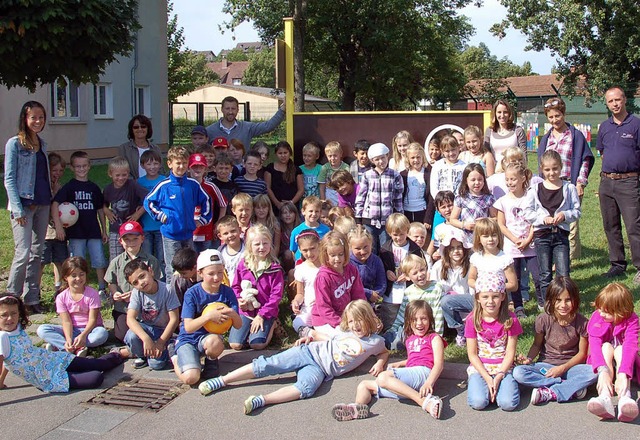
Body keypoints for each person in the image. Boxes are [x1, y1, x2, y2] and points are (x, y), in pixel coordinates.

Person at [198, 300, 388, 416]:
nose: (355, 325)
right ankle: (223, 380)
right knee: (268, 365)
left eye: (359, 320)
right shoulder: (344, 330)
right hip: (308, 352)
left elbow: (384, 352)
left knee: (307, 388)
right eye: (352, 321)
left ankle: (262, 400)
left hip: (321, 370)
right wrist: (309, 336)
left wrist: (380, 362)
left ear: (369, 319)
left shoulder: (376, 341)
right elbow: (326, 337)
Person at [334, 300, 444, 420]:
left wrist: (429, 382)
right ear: (408, 321)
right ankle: (356, 408)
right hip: (410, 384)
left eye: (423, 319)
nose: (419, 323)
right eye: (414, 319)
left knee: (382, 378)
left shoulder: (434, 338)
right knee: (364, 385)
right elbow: (415, 359)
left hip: (424, 374)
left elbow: (438, 364)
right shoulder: (410, 339)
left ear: (430, 319)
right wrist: (399, 363)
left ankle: (423, 401)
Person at [0, 293, 125, 392]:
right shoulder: (2, 337)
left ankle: (119, 354)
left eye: (14, 313)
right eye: (4, 315)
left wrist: (1, 380)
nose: (10, 318)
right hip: (47, 377)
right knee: (96, 378)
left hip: (51, 360)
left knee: (97, 364)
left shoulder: (17, 329)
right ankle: (90, 363)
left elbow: (8, 360)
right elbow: (4, 359)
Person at [513, 277, 596, 405]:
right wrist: (529, 359)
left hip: (570, 367)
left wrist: (562, 368)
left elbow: (582, 354)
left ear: (575, 300)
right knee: (519, 372)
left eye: (568, 300)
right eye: (558, 300)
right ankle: (568, 387)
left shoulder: (582, 322)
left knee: (594, 372)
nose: (563, 305)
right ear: (551, 301)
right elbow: (536, 345)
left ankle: (551, 392)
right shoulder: (543, 319)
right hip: (546, 367)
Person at [4, 101, 52, 313]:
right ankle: (11, 300)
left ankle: (31, 299)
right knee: (22, 253)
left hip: (43, 204)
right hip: (23, 206)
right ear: (25, 119)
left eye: (41, 117)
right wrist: (17, 208)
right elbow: (9, 179)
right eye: (33, 117)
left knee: (37, 253)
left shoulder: (43, 144)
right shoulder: (14, 144)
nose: (37, 121)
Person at [172, 249, 242, 385]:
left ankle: (211, 360)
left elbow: (238, 325)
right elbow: (188, 327)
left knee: (214, 342)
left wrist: (232, 313)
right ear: (200, 273)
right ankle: (176, 358)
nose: (216, 277)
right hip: (188, 339)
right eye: (211, 274)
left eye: (220, 272)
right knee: (191, 378)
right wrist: (209, 316)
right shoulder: (192, 293)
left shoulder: (227, 292)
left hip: (208, 339)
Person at [144, 146, 212, 284]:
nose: (181, 166)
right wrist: (161, 216)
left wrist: (202, 220)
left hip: (188, 234)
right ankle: (172, 298)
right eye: (178, 163)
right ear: (169, 164)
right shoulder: (164, 185)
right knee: (172, 268)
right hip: (171, 235)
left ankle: (190, 293)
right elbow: (148, 202)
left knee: (191, 265)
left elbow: (207, 201)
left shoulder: (193, 184)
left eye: (184, 163)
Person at [538, 97, 594, 260]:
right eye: (551, 117)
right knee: (553, 220)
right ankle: (555, 255)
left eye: (558, 116)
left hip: (569, 183)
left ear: (564, 114)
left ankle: (571, 257)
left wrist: (580, 182)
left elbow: (585, 159)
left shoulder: (575, 136)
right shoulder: (546, 138)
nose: (554, 120)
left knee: (571, 221)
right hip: (550, 185)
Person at [524, 150, 581, 307]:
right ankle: (548, 304)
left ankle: (566, 302)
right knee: (545, 273)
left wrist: (565, 215)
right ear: (542, 169)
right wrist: (542, 219)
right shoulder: (535, 189)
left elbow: (577, 211)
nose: (552, 173)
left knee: (563, 273)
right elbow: (527, 212)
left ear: (561, 167)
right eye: (547, 169)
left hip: (561, 235)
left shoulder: (569, 188)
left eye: (555, 169)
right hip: (542, 235)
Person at [596, 86, 640, 283]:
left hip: (629, 182)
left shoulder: (636, 125)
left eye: (618, 100)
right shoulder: (604, 127)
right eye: (610, 101)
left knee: (634, 226)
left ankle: (639, 266)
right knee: (610, 225)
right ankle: (617, 264)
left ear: (624, 100)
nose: (614, 104)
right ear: (607, 103)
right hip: (607, 182)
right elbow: (603, 153)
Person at [52, 151, 108, 297]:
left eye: (84, 166)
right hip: (76, 233)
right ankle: (78, 288)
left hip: (93, 231)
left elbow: (100, 210)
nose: (81, 169)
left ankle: (102, 288)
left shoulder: (94, 188)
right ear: (72, 168)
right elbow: (55, 204)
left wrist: (104, 230)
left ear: (89, 166)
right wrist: (58, 226)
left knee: (99, 260)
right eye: (78, 166)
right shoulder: (69, 187)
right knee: (77, 262)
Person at [465, 272, 522, 411]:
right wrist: (487, 378)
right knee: (478, 402)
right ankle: (484, 387)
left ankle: (502, 388)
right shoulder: (472, 320)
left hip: (503, 368)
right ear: (478, 297)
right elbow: (472, 354)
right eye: (485, 297)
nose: (490, 302)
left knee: (508, 404)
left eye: (495, 296)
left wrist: (499, 376)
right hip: (480, 369)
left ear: (502, 296)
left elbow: (510, 352)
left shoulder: (511, 319)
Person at [586, 282, 639, 422]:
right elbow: (595, 346)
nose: (601, 313)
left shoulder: (632, 319)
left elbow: (631, 346)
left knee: (621, 348)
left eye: (606, 311)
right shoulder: (597, 317)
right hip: (603, 362)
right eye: (600, 309)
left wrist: (623, 374)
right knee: (605, 347)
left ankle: (625, 397)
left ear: (620, 311)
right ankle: (604, 396)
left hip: (625, 364)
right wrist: (602, 372)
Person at [494, 161, 541, 316]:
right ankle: (519, 307)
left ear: (522, 178)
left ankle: (542, 303)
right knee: (515, 280)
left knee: (538, 276)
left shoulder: (531, 197)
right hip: (512, 247)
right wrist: (515, 239)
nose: (510, 182)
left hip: (531, 244)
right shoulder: (503, 201)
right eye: (507, 179)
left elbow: (536, 220)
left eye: (513, 179)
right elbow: (501, 224)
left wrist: (527, 239)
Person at [36, 257, 108, 355]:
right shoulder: (61, 297)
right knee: (42, 329)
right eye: (73, 275)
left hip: (90, 330)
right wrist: (69, 338)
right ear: (66, 277)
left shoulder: (92, 294)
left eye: (81, 274)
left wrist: (83, 335)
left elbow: (93, 320)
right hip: (72, 329)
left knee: (101, 334)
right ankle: (71, 346)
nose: (78, 279)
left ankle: (60, 346)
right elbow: (66, 321)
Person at [104, 220, 161, 343]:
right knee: (122, 337)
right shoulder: (116, 262)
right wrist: (115, 293)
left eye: (135, 239)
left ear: (142, 239)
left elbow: (156, 283)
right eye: (127, 240)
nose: (131, 243)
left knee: (146, 332)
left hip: (145, 307)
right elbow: (111, 281)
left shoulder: (151, 260)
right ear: (120, 241)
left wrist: (135, 294)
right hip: (123, 307)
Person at [229, 225, 284, 350]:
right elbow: (235, 286)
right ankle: (248, 330)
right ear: (249, 246)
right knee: (235, 345)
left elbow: (276, 296)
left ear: (270, 244)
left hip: (265, 312)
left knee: (257, 344)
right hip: (246, 311)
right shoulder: (243, 264)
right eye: (257, 244)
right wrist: (238, 300)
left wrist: (261, 315)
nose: (261, 247)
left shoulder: (274, 268)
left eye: (265, 243)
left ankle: (273, 324)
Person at [119, 258, 180, 370]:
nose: (141, 283)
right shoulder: (137, 293)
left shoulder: (167, 290)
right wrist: (146, 338)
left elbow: (174, 319)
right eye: (135, 283)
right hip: (146, 329)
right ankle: (141, 355)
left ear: (150, 271)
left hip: (163, 332)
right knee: (131, 335)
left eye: (142, 276)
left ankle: (167, 347)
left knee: (156, 365)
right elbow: (130, 319)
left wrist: (161, 342)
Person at [384, 255, 445, 350]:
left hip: (428, 326)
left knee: (416, 339)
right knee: (397, 332)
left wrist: (437, 336)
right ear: (407, 277)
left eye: (422, 270)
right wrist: (393, 328)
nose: (420, 274)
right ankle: (394, 339)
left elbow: (438, 314)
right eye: (415, 273)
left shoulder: (436, 287)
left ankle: (401, 342)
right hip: (413, 327)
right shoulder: (409, 292)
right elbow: (402, 314)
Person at [311, 231, 366, 336]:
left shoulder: (351, 269)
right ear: (325, 255)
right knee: (346, 339)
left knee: (366, 333)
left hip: (347, 317)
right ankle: (313, 335)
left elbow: (359, 296)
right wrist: (341, 323)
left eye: (341, 254)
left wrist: (365, 315)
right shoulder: (323, 277)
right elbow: (324, 308)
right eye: (332, 255)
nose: (337, 259)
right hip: (325, 321)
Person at [354, 142, 404, 255]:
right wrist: (358, 220)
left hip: (387, 221)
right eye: (377, 159)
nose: (381, 161)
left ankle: (385, 271)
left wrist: (398, 219)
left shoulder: (395, 176)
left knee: (385, 250)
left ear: (387, 156)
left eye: (383, 158)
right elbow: (360, 198)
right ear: (372, 160)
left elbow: (398, 200)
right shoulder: (367, 175)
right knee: (370, 249)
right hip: (369, 220)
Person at [379, 213, 424, 331]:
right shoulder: (385, 249)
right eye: (395, 235)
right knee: (390, 316)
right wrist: (387, 272)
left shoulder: (414, 249)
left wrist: (409, 275)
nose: (398, 238)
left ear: (407, 232)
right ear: (389, 233)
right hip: (391, 293)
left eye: (402, 234)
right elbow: (381, 266)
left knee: (410, 312)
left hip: (409, 289)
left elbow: (422, 266)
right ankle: (391, 334)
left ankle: (409, 332)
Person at [430, 225, 473, 346]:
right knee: (445, 300)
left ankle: (467, 328)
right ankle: (459, 329)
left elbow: (473, 289)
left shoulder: (470, 265)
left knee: (447, 300)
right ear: (446, 250)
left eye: (459, 247)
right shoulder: (439, 266)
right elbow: (434, 287)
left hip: (467, 300)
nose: (456, 251)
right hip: (446, 304)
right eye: (452, 248)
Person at [468, 218, 518, 314]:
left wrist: (495, 288)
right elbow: (470, 279)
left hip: (498, 301)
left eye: (494, 235)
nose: (490, 239)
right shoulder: (476, 257)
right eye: (486, 236)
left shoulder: (505, 258)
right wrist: (482, 287)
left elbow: (513, 285)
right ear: (479, 239)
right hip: (481, 299)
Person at [102, 156, 148, 262]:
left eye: (124, 175)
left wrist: (138, 214)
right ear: (110, 174)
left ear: (128, 173)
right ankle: (116, 278)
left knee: (135, 256)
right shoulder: (108, 189)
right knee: (115, 258)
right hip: (116, 228)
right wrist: (106, 211)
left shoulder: (133, 185)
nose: (121, 178)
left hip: (132, 228)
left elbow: (149, 199)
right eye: (117, 175)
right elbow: (101, 205)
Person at [205, 96, 285, 150]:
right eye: (227, 108)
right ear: (222, 109)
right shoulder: (210, 131)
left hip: (242, 172)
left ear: (238, 110)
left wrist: (282, 110)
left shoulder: (247, 128)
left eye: (233, 108)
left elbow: (268, 126)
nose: (230, 112)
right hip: (219, 172)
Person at [187, 153, 227, 253]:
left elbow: (223, 204)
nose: (197, 169)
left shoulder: (210, 186)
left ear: (205, 169)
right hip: (189, 233)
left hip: (206, 232)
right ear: (188, 169)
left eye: (200, 167)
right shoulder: (185, 186)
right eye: (194, 166)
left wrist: (218, 224)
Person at [41, 152, 68, 295]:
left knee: (59, 260)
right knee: (42, 261)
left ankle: (58, 288)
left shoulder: (60, 187)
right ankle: (36, 289)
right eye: (54, 170)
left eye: (61, 170)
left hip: (59, 231)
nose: (58, 173)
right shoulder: (44, 186)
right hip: (45, 231)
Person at [449, 163, 496, 246]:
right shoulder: (461, 198)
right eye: (473, 180)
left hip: (483, 238)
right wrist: (464, 225)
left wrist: (485, 221)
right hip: (466, 239)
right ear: (466, 181)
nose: (477, 183)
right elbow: (452, 220)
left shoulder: (489, 198)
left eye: (480, 179)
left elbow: (495, 218)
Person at [137, 149, 166, 275]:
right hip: (145, 226)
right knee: (146, 256)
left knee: (161, 257)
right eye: (149, 164)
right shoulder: (139, 182)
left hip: (161, 226)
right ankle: (148, 278)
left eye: (155, 163)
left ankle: (162, 281)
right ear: (143, 165)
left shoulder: (164, 181)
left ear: (160, 164)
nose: (152, 167)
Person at [291, 229, 322, 336]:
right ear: (299, 249)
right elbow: (300, 294)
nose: (309, 253)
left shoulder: (327, 266)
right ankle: (311, 333)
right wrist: (296, 302)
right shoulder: (301, 269)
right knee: (298, 323)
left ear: (319, 245)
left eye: (312, 248)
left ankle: (317, 333)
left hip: (326, 306)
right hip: (309, 308)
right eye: (305, 250)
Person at [348, 226, 385, 306]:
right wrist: (368, 293)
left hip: (371, 302)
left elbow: (382, 283)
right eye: (358, 248)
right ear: (351, 248)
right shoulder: (347, 263)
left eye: (365, 247)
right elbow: (350, 285)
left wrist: (376, 294)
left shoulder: (376, 260)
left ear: (371, 243)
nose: (363, 251)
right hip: (352, 302)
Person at [483, 99, 526, 168]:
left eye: (505, 112)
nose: (502, 115)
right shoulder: (489, 131)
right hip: (495, 171)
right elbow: (486, 153)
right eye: (499, 112)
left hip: (514, 171)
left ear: (509, 113)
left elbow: (523, 155)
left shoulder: (518, 130)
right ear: (495, 114)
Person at [118, 115, 163, 179]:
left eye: (143, 126)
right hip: (133, 186)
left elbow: (161, 170)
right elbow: (122, 170)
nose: (140, 129)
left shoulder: (155, 148)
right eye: (136, 127)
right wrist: (136, 185)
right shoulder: (124, 149)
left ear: (148, 128)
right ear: (132, 129)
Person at [401, 142, 435, 227]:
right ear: (408, 159)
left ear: (423, 157)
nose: (416, 160)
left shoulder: (429, 174)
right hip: (406, 212)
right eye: (412, 158)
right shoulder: (402, 175)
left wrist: (428, 218)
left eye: (418, 157)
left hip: (422, 211)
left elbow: (431, 197)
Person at [265, 141, 304, 213]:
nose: (283, 155)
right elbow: (267, 188)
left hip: (292, 208)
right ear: (276, 154)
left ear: (290, 153)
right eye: (280, 153)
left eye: (285, 153)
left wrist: (291, 202)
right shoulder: (270, 168)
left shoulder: (296, 169)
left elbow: (301, 190)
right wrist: (277, 204)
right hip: (275, 208)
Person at [318, 141, 350, 206]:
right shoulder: (325, 168)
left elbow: (349, 183)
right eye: (330, 156)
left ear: (341, 154)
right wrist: (323, 200)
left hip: (342, 192)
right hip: (329, 193)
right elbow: (321, 185)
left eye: (335, 156)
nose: (332, 158)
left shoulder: (346, 167)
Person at [216, 215, 245, 286]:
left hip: (245, 288)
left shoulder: (248, 249)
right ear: (220, 236)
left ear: (240, 230)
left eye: (233, 231)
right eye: (226, 233)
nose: (230, 235)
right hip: (227, 289)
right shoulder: (220, 253)